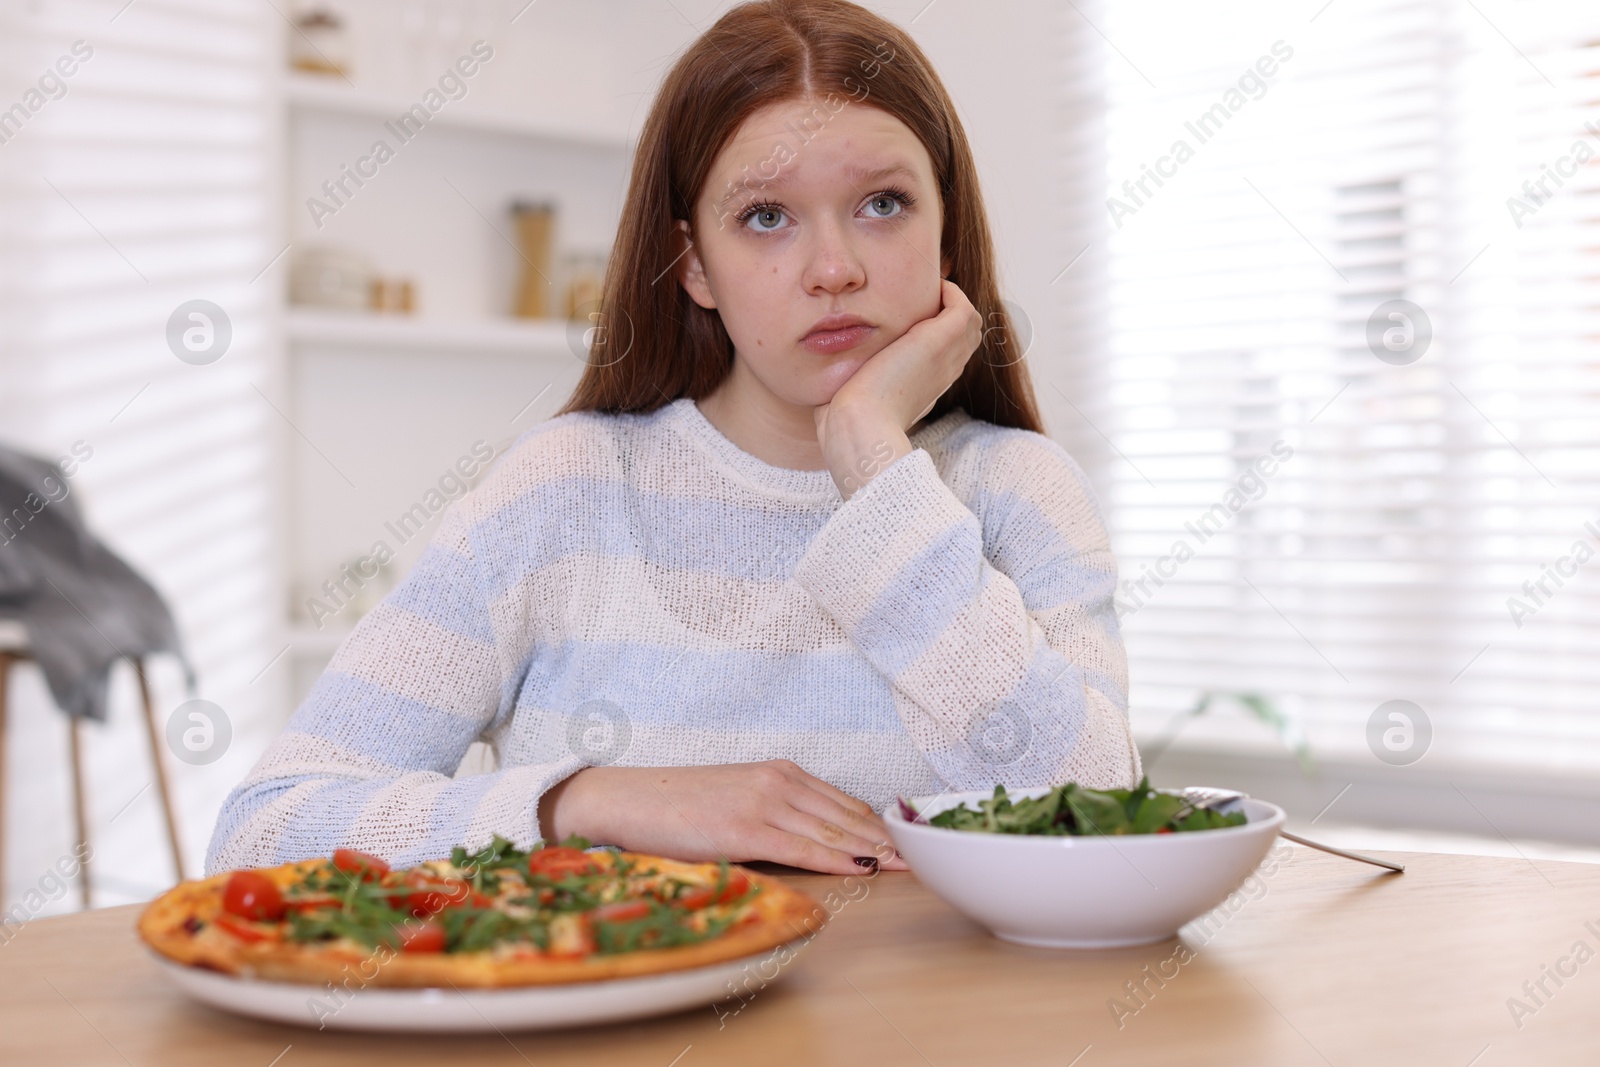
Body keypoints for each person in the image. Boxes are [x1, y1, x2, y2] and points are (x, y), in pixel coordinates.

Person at [206, 0, 1139, 879]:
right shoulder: (563, 490)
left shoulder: (1017, 491)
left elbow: (1098, 822)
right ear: (695, 265)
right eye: (766, 217)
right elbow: (264, 834)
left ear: (946, 239)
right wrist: (585, 802)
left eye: (884, 203)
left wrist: (872, 459)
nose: (835, 268)